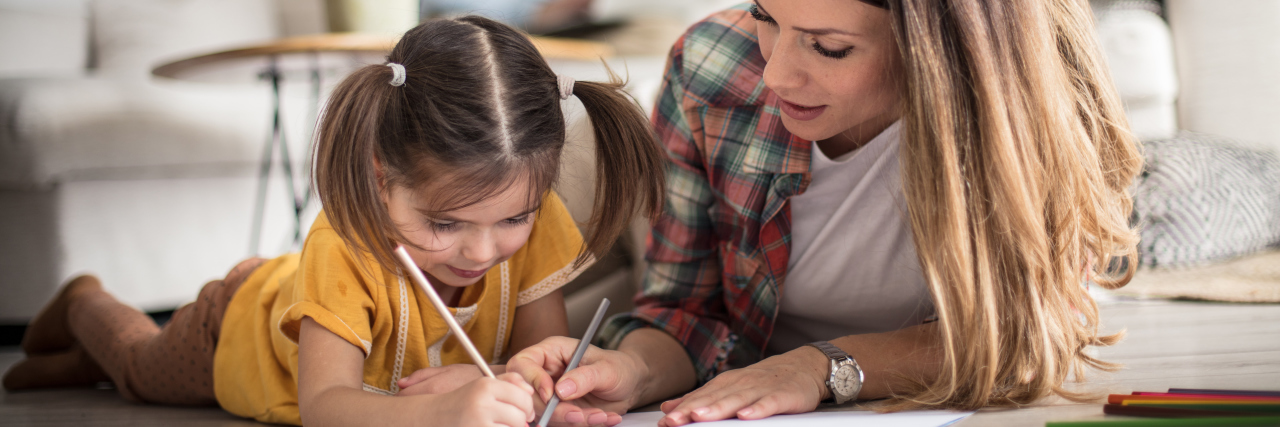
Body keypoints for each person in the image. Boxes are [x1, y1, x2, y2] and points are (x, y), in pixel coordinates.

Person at [2, 15, 666, 427]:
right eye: (445, 224)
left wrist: (516, 385)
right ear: (381, 178)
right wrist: (443, 409)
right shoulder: (344, 244)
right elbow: (326, 405)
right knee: (135, 368)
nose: (482, 250)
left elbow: (530, 364)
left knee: (75, 377)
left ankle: (60, 364)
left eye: (514, 217)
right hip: (236, 330)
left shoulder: (537, 223)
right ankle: (84, 299)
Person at [508, 0, 1143, 426]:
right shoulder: (710, 67)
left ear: (939, 51)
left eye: (830, 48)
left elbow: (1026, 337)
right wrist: (632, 369)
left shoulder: (1029, 102)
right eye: (765, 16)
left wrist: (821, 367)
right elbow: (686, 311)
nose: (776, 74)